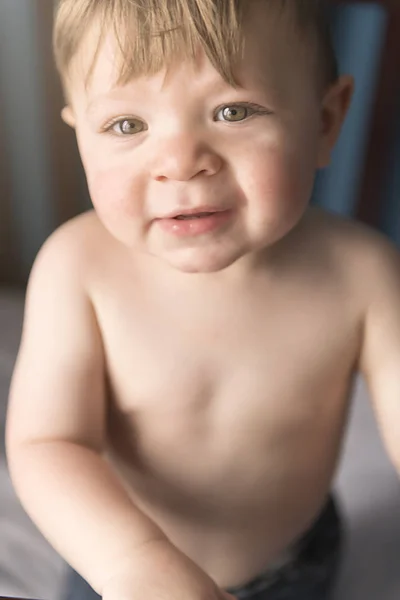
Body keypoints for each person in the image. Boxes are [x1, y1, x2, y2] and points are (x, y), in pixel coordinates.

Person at [5, 0, 400, 599]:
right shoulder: (78, 268)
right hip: (116, 566)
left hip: (294, 568)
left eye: (231, 110)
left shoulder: (362, 275)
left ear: (324, 122)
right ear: (81, 135)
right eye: (126, 125)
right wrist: (132, 560)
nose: (180, 161)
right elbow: (47, 442)